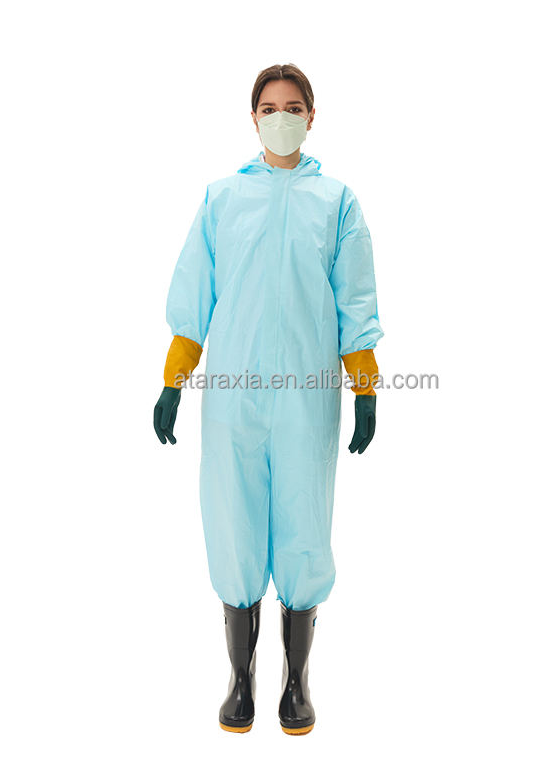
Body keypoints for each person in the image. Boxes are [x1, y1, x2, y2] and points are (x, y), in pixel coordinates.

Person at [153, 63, 383, 735]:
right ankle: (241, 675)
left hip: (308, 397)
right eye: (269, 107)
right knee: (235, 523)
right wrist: (173, 379)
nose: (281, 117)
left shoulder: (337, 203)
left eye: (293, 107)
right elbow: (196, 293)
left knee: (304, 526)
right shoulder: (222, 199)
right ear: (252, 117)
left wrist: (365, 387)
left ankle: (298, 679)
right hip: (234, 393)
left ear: (312, 116)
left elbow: (355, 299)